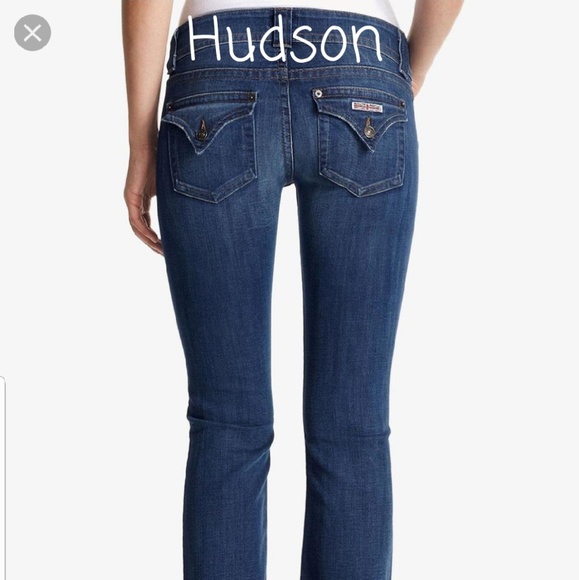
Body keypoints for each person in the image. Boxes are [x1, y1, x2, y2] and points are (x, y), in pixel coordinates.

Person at [122, 1, 464, 578]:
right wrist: (411, 69)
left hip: (214, 67)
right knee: (353, 426)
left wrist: (142, 143)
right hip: (361, 64)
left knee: (226, 424)